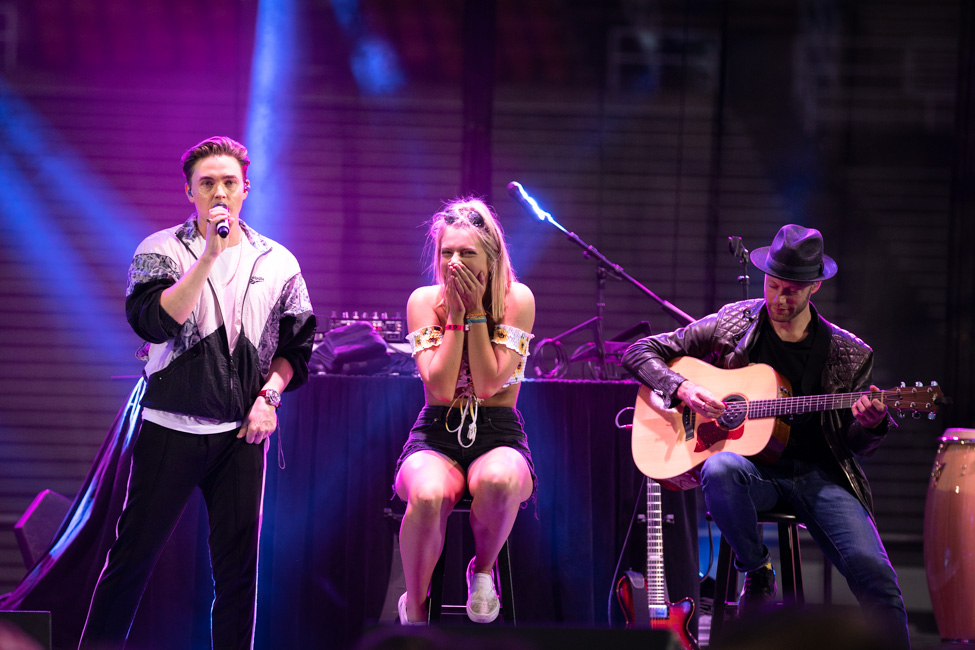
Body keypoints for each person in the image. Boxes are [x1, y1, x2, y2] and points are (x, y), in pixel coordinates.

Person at [621, 224, 910, 648]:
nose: (778, 298)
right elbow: (639, 351)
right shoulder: (733, 322)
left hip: (820, 478)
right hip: (750, 476)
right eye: (773, 285)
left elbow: (852, 444)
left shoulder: (849, 354)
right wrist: (683, 389)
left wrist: (871, 424)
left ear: (814, 288)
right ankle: (756, 569)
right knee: (719, 468)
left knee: (878, 579)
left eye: (791, 290)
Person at [79, 136, 316, 649]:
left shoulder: (280, 262)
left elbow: (298, 349)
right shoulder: (159, 251)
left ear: (246, 189)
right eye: (207, 183)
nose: (219, 193)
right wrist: (208, 255)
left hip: (240, 437)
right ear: (189, 191)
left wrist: (269, 397)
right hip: (169, 429)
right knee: (131, 559)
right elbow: (154, 324)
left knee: (238, 573)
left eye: (229, 182)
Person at [394, 198, 536, 625]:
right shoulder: (423, 301)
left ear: (491, 257)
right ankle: (416, 606)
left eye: (466, 253)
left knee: (497, 480)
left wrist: (475, 313)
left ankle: (483, 570)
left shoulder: (518, 300)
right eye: (447, 253)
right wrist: (456, 314)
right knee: (428, 494)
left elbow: (491, 383)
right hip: (436, 432)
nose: (454, 262)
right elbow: (438, 387)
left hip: (499, 431)